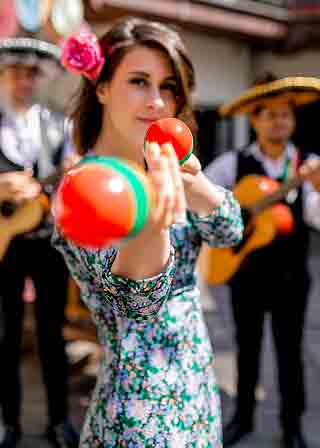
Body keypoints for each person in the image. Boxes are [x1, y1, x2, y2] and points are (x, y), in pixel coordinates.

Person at [52, 17, 243, 447]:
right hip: (141, 413)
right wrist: (155, 216)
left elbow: (229, 231)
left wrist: (196, 188)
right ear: (101, 88)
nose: (157, 101)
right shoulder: (84, 186)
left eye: (169, 86)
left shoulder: (171, 165)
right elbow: (137, 303)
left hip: (198, 391)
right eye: (139, 81)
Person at [204, 73, 320, 448]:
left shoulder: (310, 165)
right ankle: (242, 418)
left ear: (293, 120)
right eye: (269, 115)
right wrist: (232, 216)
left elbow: (317, 217)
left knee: (290, 354)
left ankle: (292, 427)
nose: (277, 121)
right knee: (247, 348)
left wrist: (316, 187)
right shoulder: (231, 164)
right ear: (255, 120)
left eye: (284, 115)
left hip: (291, 278)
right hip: (245, 274)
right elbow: (203, 202)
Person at [0, 37, 79, 447]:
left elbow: (71, 187)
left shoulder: (57, 125)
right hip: (3, 246)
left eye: (31, 74)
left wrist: (72, 175)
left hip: (46, 242)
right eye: (16, 71)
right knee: (4, 337)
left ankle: (59, 421)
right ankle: (8, 422)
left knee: (53, 336)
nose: (23, 80)